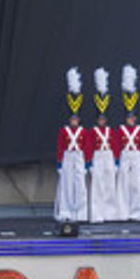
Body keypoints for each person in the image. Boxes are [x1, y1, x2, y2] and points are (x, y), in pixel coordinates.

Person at [54, 70, 90, 223]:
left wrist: (88, 162)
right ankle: (65, 211)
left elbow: (87, 146)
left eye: (76, 119)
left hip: (79, 156)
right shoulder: (64, 131)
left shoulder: (83, 131)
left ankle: (81, 213)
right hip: (68, 156)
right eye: (72, 119)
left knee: (80, 185)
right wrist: (60, 162)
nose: (74, 122)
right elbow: (60, 146)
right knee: (67, 184)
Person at [88, 70, 119, 223]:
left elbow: (115, 145)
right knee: (97, 185)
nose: (102, 121)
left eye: (103, 119)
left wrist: (116, 161)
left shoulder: (110, 131)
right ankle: (96, 214)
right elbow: (89, 146)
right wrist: (89, 162)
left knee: (109, 184)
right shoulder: (93, 131)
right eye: (99, 119)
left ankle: (110, 213)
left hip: (108, 156)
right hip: (98, 156)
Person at [116, 107, 140, 221]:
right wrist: (116, 161)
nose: (130, 120)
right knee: (123, 183)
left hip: (136, 155)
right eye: (128, 118)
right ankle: (123, 213)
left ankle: (136, 213)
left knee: (136, 185)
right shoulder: (121, 130)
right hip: (124, 155)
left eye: (132, 118)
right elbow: (117, 145)